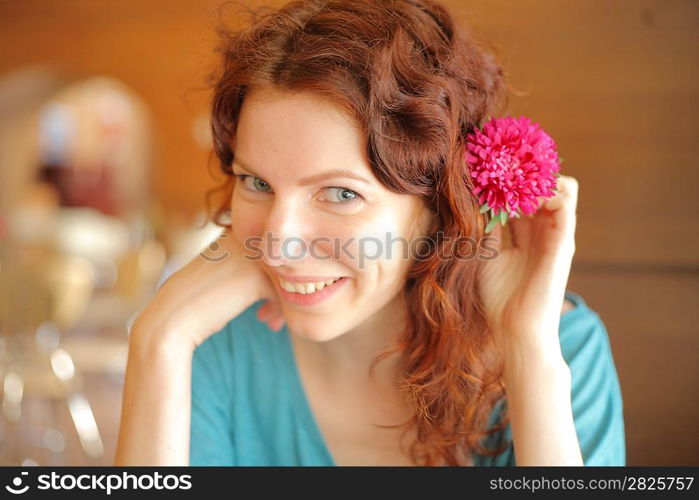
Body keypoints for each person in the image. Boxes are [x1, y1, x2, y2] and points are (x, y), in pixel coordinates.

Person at [114, 0, 625, 466]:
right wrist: (158, 340)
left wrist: (528, 352)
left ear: (438, 205)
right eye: (257, 182)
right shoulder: (219, 343)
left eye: (340, 194)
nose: (278, 243)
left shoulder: (559, 348)